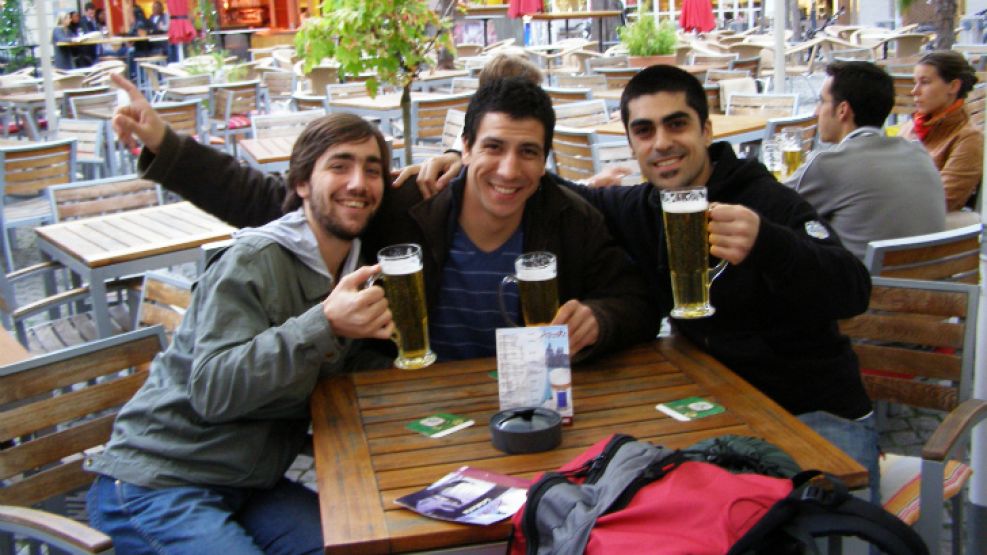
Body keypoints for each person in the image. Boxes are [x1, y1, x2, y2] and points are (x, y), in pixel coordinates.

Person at [368, 66, 881, 500]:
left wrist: (770, 243)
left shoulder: (765, 203)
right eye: (643, 130)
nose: (661, 143)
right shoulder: (638, 207)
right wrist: (465, 165)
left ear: (706, 129)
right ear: (631, 140)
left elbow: (853, 290)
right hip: (714, 413)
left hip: (813, 414)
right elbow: (533, 184)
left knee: (787, 528)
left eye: (676, 124)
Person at [109, 72, 658, 361]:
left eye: (529, 153)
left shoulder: (569, 218)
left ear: (546, 160)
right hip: (411, 399)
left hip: (531, 406)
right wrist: (166, 145)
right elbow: (272, 202)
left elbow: (633, 297)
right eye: (493, 148)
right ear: (463, 148)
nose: (509, 170)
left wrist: (600, 319)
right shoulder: (404, 205)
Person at [85, 112, 395, 553]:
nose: (358, 182)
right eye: (339, 166)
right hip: (159, 480)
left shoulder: (351, 270)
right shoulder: (253, 260)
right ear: (302, 183)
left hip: (250, 483)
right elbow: (212, 388)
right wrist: (323, 323)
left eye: (372, 169)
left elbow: (328, 366)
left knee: (359, 547)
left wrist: (408, 377)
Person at [784, 62, 945, 260]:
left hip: (864, 288)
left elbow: (766, 209)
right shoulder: (919, 153)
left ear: (843, 110)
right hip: (930, 285)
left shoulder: (830, 163)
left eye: (822, 101)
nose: (816, 112)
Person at [900, 50, 983, 213]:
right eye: (914, 82)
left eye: (925, 82)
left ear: (953, 86)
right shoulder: (911, 126)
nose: (914, 91)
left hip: (924, 226)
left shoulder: (968, 138)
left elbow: (943, 200)